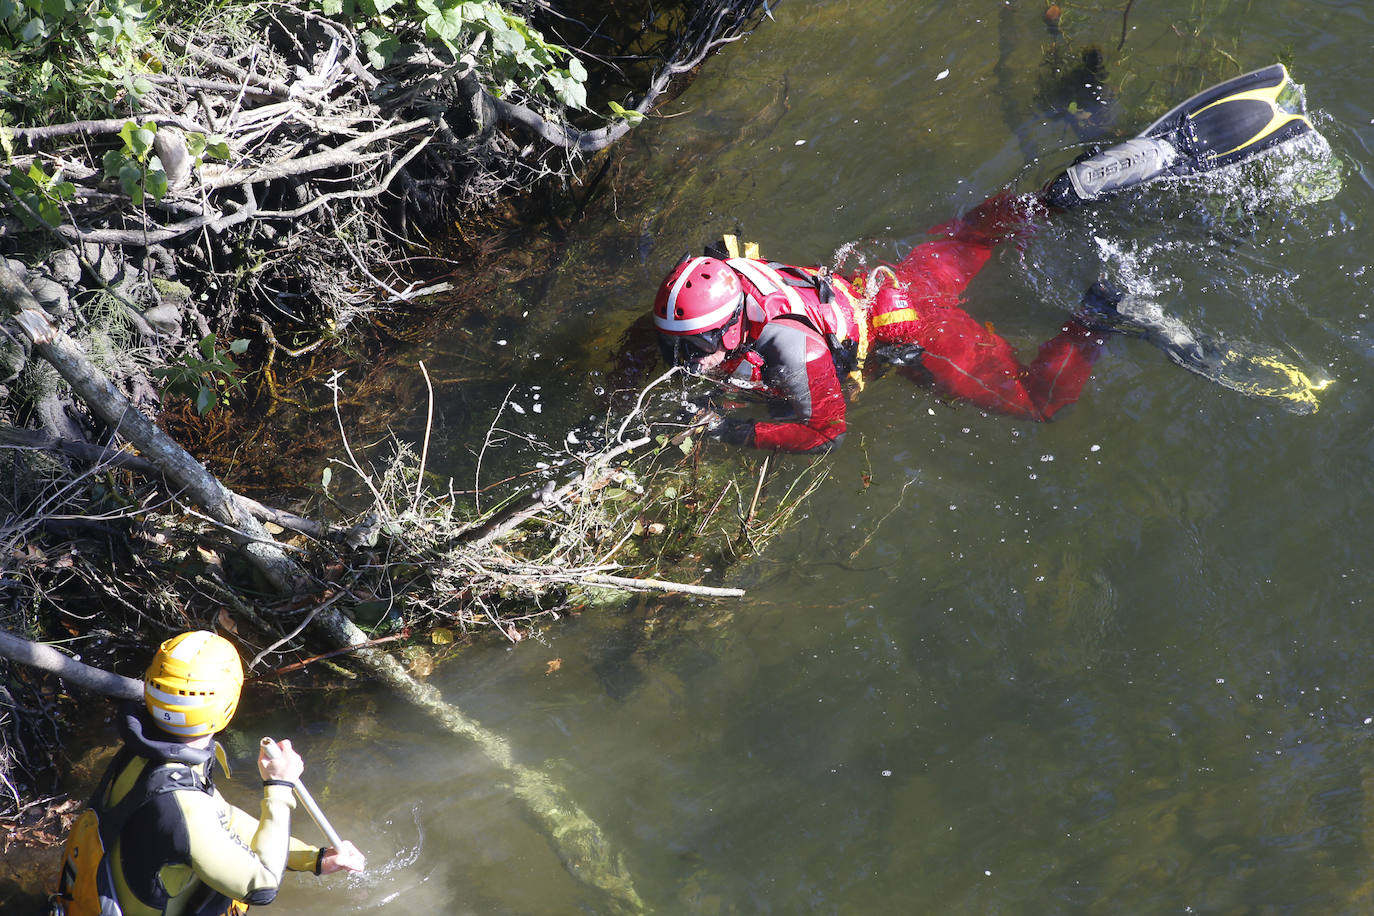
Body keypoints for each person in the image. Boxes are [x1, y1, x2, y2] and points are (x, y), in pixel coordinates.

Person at [647, 64, 1320, 452]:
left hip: (908, 335)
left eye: (702, 341)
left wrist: (728, 432)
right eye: (685, 342)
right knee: (979, 232)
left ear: (733, 317)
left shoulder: (792, 348)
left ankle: (1100, 310)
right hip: (888, 283)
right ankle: (1060, 194)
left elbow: (825, 431)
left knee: (1035, 402)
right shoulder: (730, 274)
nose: (694, 355)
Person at [54, 630, 364, 915]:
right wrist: (279, 786)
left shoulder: (146, 750)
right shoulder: (180, 802)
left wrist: (315, 859)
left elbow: (221, 817)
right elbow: (261, 886)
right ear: (229, 701)